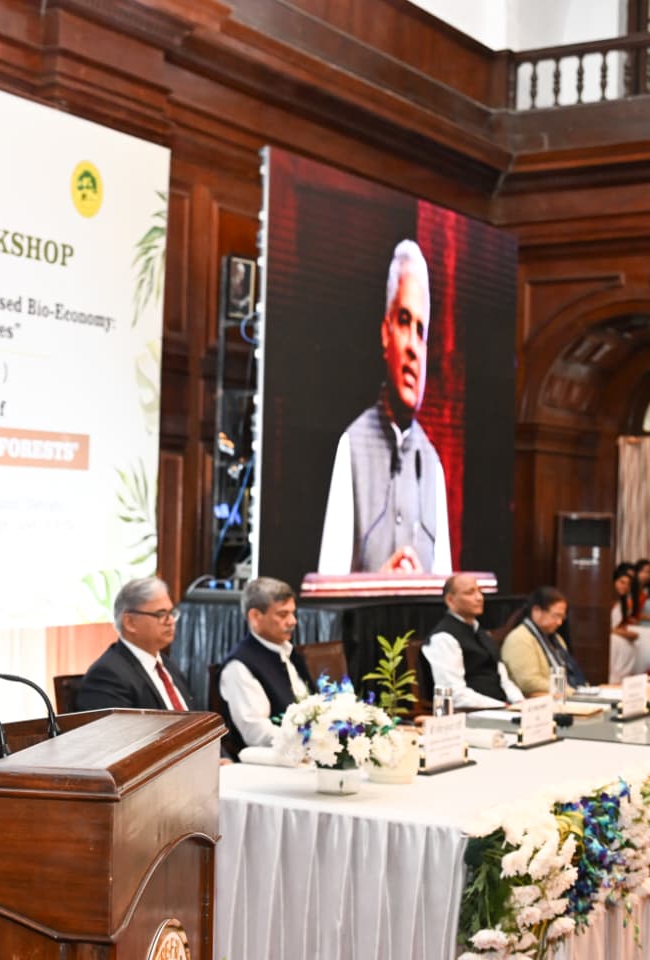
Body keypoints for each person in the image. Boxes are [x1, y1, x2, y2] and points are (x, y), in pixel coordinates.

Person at [317, 239, 452, 575]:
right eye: (404, 322)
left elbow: (447, 583)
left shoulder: (432, 463)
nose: (413, 348)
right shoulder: (353, 445)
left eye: (421, 331)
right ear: (385, 333)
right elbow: (329, 579)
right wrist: (379, 583)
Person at [218, 577, 314, 758]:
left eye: (293, 613)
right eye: (283, 614)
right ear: (255, 616)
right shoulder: (239, 666)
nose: (293, 621)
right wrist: (309, 742)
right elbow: (256, 732)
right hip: (272, 761)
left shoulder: (289, 653)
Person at [75, 576, 196, 712]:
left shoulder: (168, 665)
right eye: (161, 614)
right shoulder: (107, 675)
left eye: (172, 613)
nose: (171, 621)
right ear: (130, 622)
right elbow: (119, 726)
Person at [422, 573, 523, 709]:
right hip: (470, 713)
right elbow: (455, 695)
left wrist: (520, 703)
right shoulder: (443, 638)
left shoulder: (481, 633)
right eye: (470, 593)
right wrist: (502, 706)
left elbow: (503, 680)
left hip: (501, 709)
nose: (479, 598)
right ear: (450, 600)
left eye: (480, 591)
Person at [500, 586, 587, 697]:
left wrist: (585, 691)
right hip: (540, 700)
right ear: (536, 611)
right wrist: (572, 692)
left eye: (562, 617)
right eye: (556, 616)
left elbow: (570, 672)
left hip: (564, 695)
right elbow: (529, 682)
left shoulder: (557, 639)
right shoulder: (519, 639)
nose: (559, 622)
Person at [609, 563, 650, 681]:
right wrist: (622, 633)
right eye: (622, 582)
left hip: (618, 633)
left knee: (636, 642)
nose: (625, 586)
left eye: (628, 584)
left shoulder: (622, 603)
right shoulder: (607, 600)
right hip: (611, 636)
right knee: (620, 643)